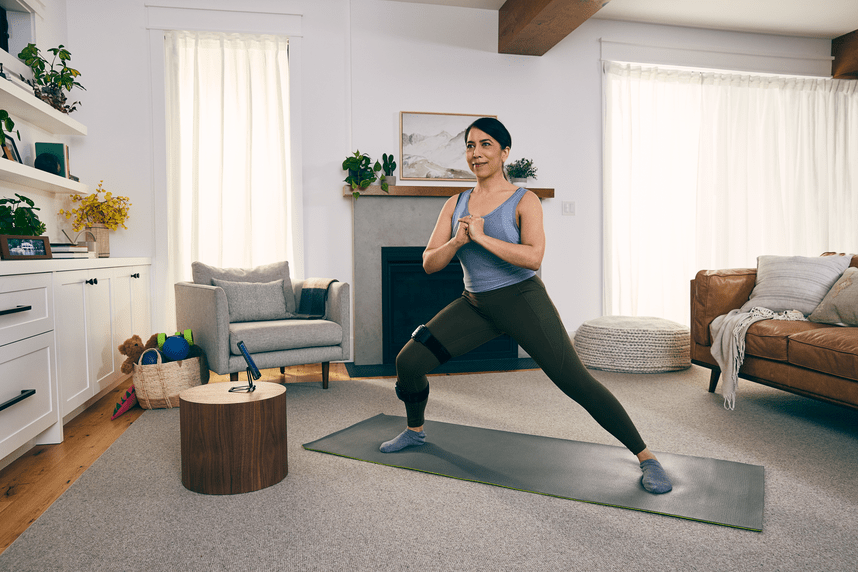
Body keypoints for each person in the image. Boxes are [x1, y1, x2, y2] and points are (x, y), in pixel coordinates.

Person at [379, 117, 672, 494]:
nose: (476, 153)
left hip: (522, 300)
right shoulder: (456, 203)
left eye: (486, 145)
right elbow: (429, 262)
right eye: (470, 145)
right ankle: (415, 431)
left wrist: (481, 238)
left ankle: (647, 457)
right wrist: (456, 242)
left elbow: (534, 257)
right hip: (476, 305)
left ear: (504, 152)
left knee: (575, 381)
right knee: (409, 361)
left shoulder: (524, 200)